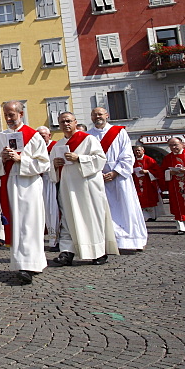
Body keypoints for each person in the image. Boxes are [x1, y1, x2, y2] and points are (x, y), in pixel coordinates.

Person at [49, 112, 117, 266]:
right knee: (68, 218)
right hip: (67, 187)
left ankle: (98, 253)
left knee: (91, 217)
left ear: (75, 122)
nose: (65, 124)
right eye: (62, 122)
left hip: (88, 187)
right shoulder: (58, 145)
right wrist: (55, 165)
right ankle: (67, 252)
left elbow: (100, 160)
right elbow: (50, 170)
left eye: (68, 121)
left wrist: (79, 158)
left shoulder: (88, 139)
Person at [0, 101, 50, 285]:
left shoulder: (33, 136)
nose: (9, 119)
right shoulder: (0, 137)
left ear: (21, 113)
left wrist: (20, 159)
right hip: (9, 185)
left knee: (30, 223)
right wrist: (2, 159)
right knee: (17, 225)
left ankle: (31, 264)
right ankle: (19, 264)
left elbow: (43, 163)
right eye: (6, 115)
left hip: (29, 185)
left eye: (12, 115)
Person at [88, 108, 146, 252]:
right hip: (98, 178)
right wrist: (97, 173)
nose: (97, 117)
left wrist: (115, 172)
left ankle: (132, 241)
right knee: (104, 210)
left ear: (107, 115)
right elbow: (87, 156)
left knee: (126, 207)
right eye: (94, 115)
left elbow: (127, 155)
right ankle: (110, 240)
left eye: (100, 114)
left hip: (119, 177)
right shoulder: (88, 135)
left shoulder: (119, 132)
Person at [37, 126, 61, 248]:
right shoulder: (35, 147)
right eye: (38, 135)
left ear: (49, 136)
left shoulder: (56, 146)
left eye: (43, 135)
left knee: (55, 210)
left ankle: (57, 239)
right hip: (41, 182)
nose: (41, 137)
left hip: (54, 181)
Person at [132, 144, 163, 222]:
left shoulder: (149, 160)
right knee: (139, 199)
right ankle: (142, 216)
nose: (137, 152)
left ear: (143, 150)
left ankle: (152, 216)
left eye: (139, 150)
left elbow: (157, 171)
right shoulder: (133, 160)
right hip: (137, 183)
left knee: (149, 199)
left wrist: (147, 171)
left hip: (148, 183)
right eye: (136, 151)